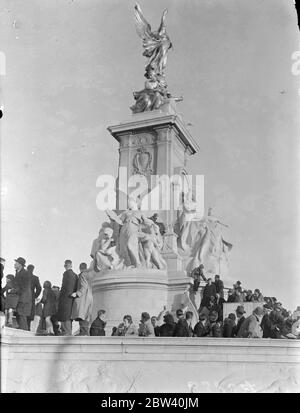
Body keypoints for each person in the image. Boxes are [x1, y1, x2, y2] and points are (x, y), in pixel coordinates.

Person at [71, 263, 93, 336]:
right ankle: (84, 332)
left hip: (83, 298)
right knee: (85, 315)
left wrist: (77, 293)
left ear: (80, 268)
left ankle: (83, 333)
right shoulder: (90, 275)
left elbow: (83, 287)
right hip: (89, 297)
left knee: (81, 315)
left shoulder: (83, 274)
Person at [57, 259, 78, 336]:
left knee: (64, 316)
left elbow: (63, 287)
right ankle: (68, 332)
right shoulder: (75, 275)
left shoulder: (66, 274)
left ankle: (65, 333)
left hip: (65, 298)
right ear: (71, 265)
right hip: (72, 299)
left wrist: (60, 296)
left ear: (65, 266)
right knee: (69, 316)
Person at [14, 257, 32, 331]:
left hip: (24, 297)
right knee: (19, 314)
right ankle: (21, 329)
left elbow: (24, 286)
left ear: (20, 264)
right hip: (20, 296)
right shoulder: (18, 272)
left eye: (16, 263)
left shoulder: (25, 273)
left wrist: (15, 290)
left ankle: (24, 331)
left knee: (22, 314)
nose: (15, 264)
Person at [26, 264, 42, 331]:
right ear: (33, 270)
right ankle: (28, 327)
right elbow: (39, 288)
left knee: (23, 311)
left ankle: (22, 327)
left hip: (23, 295)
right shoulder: (35, 278)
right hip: (31, 295)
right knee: (29, 312)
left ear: (27, 269)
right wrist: (35, 295)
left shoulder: (23, 276)